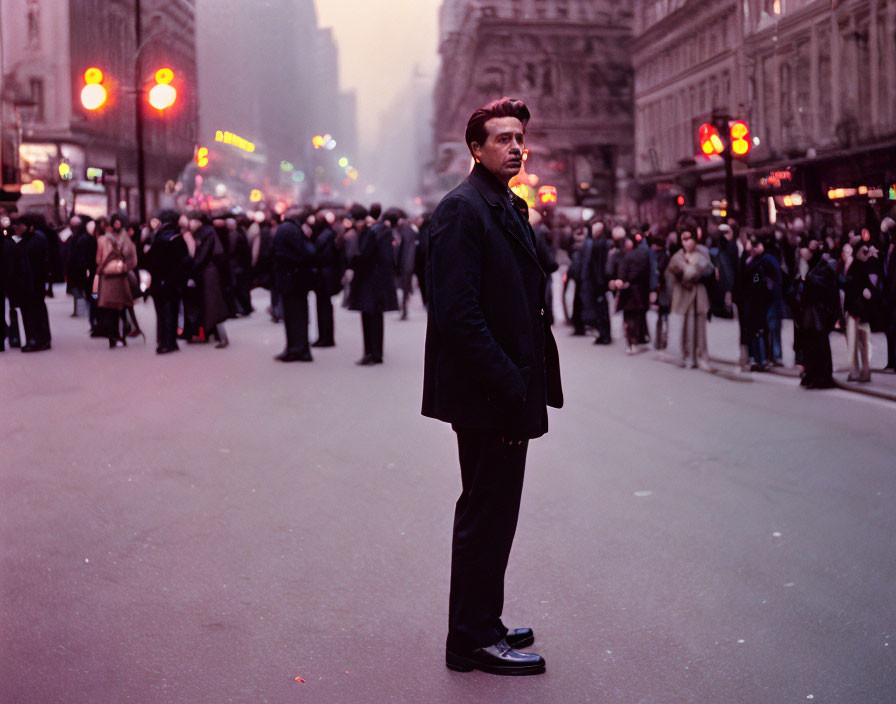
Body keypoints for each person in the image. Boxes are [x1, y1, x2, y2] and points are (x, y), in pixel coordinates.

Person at [423, 97, 562, 676]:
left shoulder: (504, 202)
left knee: (498, 512)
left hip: (508, 389)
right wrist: (509, 383)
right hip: (490, 395)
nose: (515, 146)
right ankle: (471, 639)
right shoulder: (462, 210)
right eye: (503, 138)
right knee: (485, 513)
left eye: (520, 137)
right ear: (475, 149)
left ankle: (485, 619)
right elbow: (457, 313)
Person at [347, 206, 399, 365]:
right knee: (376, 317)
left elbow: (364, 257)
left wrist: (353, 263)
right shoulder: (384, 231)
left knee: (369, 318)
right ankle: (377, 352)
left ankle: (370, 353)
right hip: (380, 280)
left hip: (368, 281)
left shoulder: (370, 233)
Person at [665, 228, 715, 370]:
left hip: (698, 295)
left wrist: (692, 271)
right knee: (686, 328)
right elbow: (673, 275)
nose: (686, 243)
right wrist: (688, 272)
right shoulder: (677, 257)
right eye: (684, 239)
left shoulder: (702, 256)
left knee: (699, 328)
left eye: (689, 239)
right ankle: (688, 356)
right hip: (684, 296)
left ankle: (701, 356)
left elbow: (708, 272)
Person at [272, 207, 316, 361]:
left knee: (293, 316)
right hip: (297, 279)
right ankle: (299, 348)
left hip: (290, 279)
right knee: (299, 315)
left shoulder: (285, 228)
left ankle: (295, 349)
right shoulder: (295, 229)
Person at [794, 239, 839, 389]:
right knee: (810, 344)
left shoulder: (823, 267)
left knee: (819, 344)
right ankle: (812, 375)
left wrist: (807, 280)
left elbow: (827, 288)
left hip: (818, 313)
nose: (802, 253)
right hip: (808, 313)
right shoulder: (808, 266)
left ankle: (822, 377)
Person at [148, 210, 191, 354]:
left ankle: (162, 341)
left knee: (161, 312)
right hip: (173, 281)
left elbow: (150, 261)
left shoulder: (157, 237)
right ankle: (170, 341)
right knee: (172, 311)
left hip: (158, 281)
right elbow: (185, 261)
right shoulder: (177, 238)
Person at [95, 213, 138, 348]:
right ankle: (119, 335)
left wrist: (103, 267)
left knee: (114, 309)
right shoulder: (124, 239)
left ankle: (115, 336)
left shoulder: (104, 239)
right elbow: (132, 259)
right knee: (119, 308)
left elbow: (99, 259)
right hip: (118, 278)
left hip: (112, 277)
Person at [188, 213, 229, 348]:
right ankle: (210, 334)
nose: (191, 223)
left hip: (208, 272)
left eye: (194, 220)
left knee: (212, 305)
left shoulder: (206, 233)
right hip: (206, 272)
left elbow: (203, 254)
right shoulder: (203, 232)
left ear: (200, 221)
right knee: (208, 305)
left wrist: (193, 267)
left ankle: (221, 337)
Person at [311, 211, 342, 347]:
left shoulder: (324, 237)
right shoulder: (329, 235)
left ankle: (325, 338)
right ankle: (325, 337)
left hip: (324, 277)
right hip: (326, 276)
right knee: (325, 307)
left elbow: (325, 257)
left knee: (323, 307)